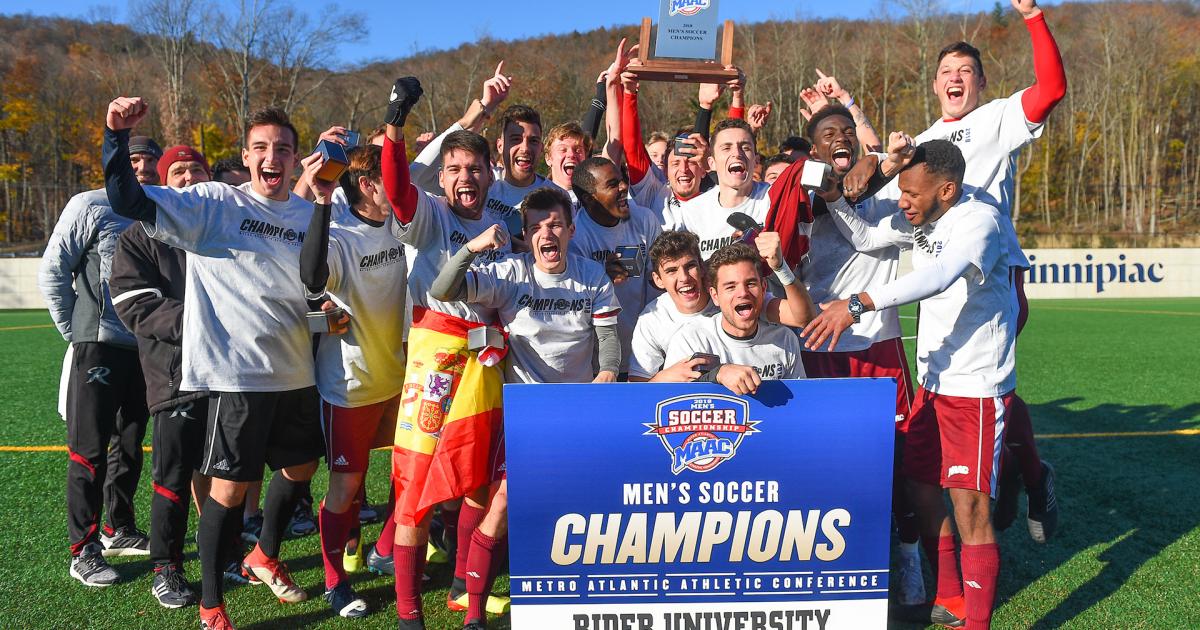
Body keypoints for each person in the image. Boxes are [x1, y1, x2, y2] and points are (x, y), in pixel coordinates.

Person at [102, 98, 329, 630]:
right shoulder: (213, 204)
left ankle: (264, 552)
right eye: (261, 148)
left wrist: (325, 307)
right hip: (236, 377)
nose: (272, 157)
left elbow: (314, 281)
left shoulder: (308, 210)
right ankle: (210, 603)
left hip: (296, 371)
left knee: (301, 468)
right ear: (246, 157)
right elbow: (125, 197)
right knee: (226, 491)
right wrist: (116, 136)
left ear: (297, 159)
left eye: (283, 149)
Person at [803, 140, 1015, 630]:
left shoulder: (978, 221)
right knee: (921, 488)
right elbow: (867, 239)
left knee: (971, 508)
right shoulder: (922, 217)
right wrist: (835, 198)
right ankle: (948, 596)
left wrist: (857, 303)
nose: (901, 201)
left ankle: (976, 622)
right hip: (936, 384)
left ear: (947, 189)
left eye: (911, 194)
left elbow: (939, 276)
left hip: (976, 388)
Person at [890, 0, 1066, 542]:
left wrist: (1033, 16)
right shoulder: (924, 142)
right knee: (951, 390)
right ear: (935, 85)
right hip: (941, 276)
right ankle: (1015, 474)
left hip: (990, 273)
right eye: (946, 72)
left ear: (982, 82)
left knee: (990, 389)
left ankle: (1032, 477)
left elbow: (1051, 89)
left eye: (966, 70)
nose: (955, 78)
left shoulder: (995, 119)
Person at [430, 186, 622, 629]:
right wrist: (474, 247)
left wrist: (607, 374)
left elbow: (610, 345)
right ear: (526, 235)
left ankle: (583, 603)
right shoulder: (511, 273)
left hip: (577, 411)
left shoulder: (591, 275)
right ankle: (473, 612)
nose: (546, 233)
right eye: (536, 227)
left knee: (588, 508)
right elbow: (444, 286)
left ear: (571, 229)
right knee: (500, 506)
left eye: (554, 224)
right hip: (525, 413)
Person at [378, 76, 512, 629]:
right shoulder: (430, 215)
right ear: (444, 176)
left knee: (477, 480)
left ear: (489, 175)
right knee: (413, 484)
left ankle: (462, 584)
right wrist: (395, 121)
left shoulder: (503, 224)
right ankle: (410, 616)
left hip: (486, 362)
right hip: (435, 358)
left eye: (474, 169)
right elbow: (394, 187)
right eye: (454, 169)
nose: (464, 178)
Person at [800, 107, 926, 605]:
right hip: (818, 344)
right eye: (828, 134)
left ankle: (911, 559)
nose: (841, 139)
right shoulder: (806, 194)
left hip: (877, 344)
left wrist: (881, 161)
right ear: (815, 152)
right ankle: (836, 562)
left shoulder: (890, 195)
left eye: (847, 132)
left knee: (901, 456)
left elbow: (867, 234)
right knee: (828, 458)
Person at [39, 133, 159, 588]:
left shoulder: (158, 209)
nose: (143, 169)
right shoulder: (88, 204)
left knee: (129, 445)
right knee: (89, 450)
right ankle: (82, 549)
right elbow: (54, 269)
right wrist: (78, 333)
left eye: (150, 162)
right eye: (134, 161)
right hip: (99, 344)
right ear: (116, 165)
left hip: (144, 348)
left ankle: (118, 529)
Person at [298, 144, 408, 618]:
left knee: (411, 473)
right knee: (346, 486)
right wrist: (321, 204)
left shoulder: (403, 220)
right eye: (389, 176)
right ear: (367, 185)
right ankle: (335, 581)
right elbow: (312, 276)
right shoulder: (341, 238)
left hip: (402, 378)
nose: (401, 184)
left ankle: (385, 549)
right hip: (352, 386)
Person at [109, 144, 214, 608]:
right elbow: (136, 304)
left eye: (196, 170)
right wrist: (208, 319)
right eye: (178, 172)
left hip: (234, 374)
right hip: (175, 376)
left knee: (227, 474)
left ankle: (224, 554)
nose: (188, 178)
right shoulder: (139, 236)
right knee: (171, 476)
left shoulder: (223, 226)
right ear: (163, 183)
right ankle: (166, 568)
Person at [664, 241, 806, 395]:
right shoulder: (691, 339)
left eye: (750, 283)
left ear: (763, 288)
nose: (743, 293)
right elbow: (670, 399)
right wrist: (718, 373)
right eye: (730, 287)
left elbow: (799, 403)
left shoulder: (784, 340)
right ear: (715, 296)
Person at [569, 156, 661, 374]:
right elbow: (572, 307)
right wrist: (601, 279)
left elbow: (660, 283)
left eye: (622, 180)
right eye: (612, 184)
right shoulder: (575, 237)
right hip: (598, 365)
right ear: (589, 198)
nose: (624, 188)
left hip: (645, 356)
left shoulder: (644, 219)